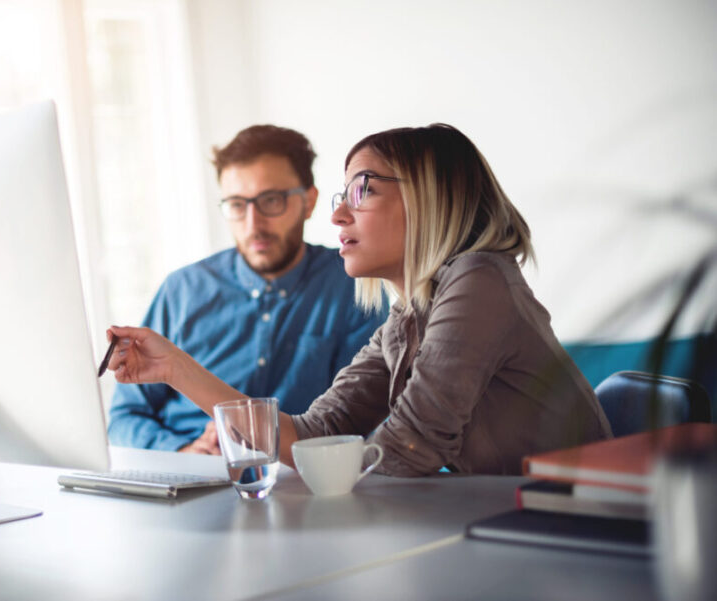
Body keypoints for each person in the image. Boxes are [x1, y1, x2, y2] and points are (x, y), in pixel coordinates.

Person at [105, 124, 613, 475]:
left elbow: (409, 447)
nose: (339, 216)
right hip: (510, 517)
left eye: (363, 190)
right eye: (341, 195)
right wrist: (173, 367)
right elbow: (309, 434)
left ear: (429, 196)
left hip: (575, 523)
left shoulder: (479, 279)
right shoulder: (408, 316)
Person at [108, 124, 387, 454]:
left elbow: (362, 423)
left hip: (294, 476)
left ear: (308, 202)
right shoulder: (181, 290)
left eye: (271, 200)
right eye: (237, 205)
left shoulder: (353, 288)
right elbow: (124, 418)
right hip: (186, 473)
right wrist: (183, 451)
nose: (254, 224)